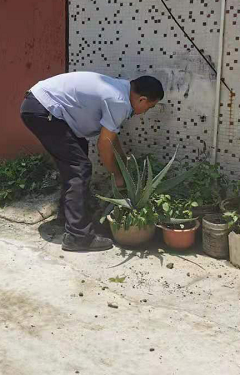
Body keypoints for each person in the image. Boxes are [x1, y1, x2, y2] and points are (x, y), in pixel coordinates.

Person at [20, 72, 164, 252]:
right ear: (142, 100)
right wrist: (117, 176)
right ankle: (78, 237)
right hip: (43, 110)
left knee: (77, 157)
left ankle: (68, 218)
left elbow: (111, 137)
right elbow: (103, 145)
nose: (145, 112)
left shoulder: (120, 91)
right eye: (149, 107)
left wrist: (122, 162)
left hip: (45, 107)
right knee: (80, 167)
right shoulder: (119, 101)